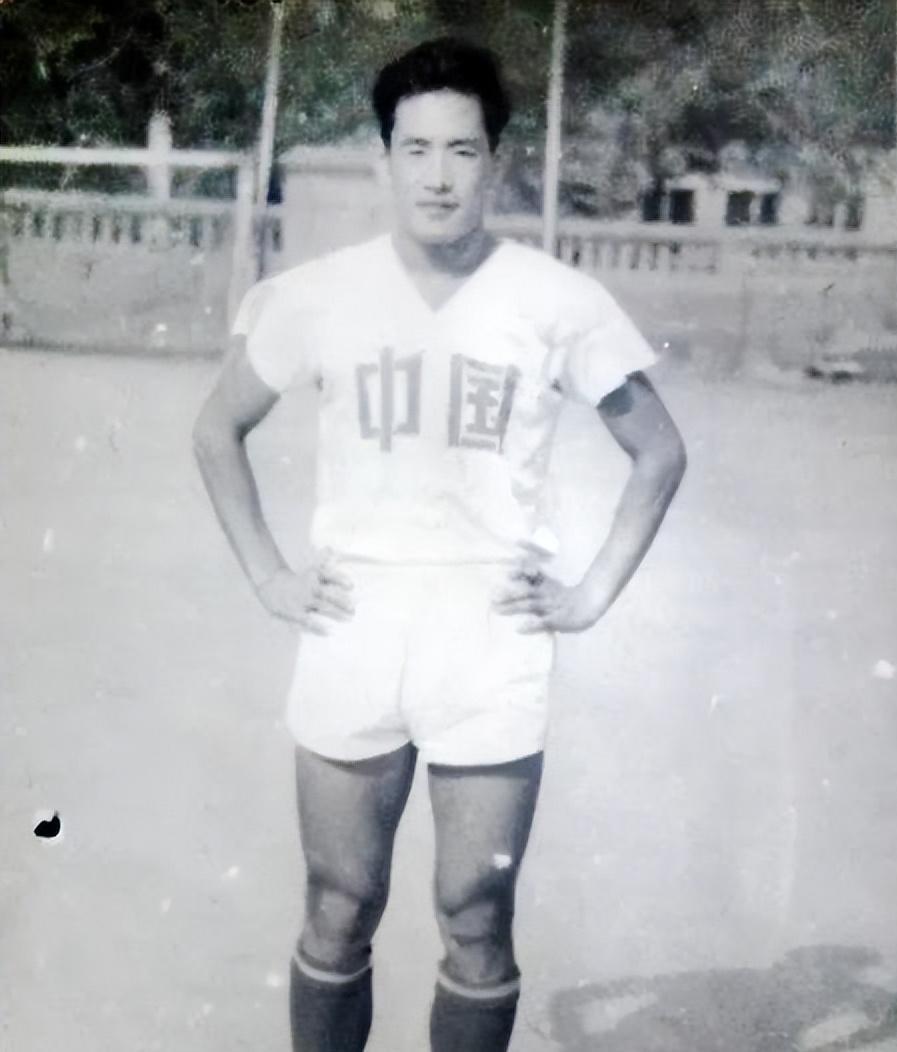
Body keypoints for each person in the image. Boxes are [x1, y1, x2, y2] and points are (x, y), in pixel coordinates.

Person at [193, 36, 686, 1052]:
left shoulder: (554, 299)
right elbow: (215, 429)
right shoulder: (319, 293)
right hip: (355, 619)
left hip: (489, 633)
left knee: (475, 912)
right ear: (384, 158)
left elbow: (658, 451)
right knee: (338, 901)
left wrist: (591, 593)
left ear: (494, 160)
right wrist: (269, 575)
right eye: (415, 149)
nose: (438, 175)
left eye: (462, 150)